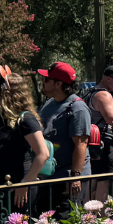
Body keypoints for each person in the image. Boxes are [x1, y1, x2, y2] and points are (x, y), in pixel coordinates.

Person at [0, 67, 47, 207]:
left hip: (18, 189)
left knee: (18, 221)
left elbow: (43, 153)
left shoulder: (26, 119)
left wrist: (25, 183)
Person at [37, 62, 93, 207]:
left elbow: (81, 144)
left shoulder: (77, 108)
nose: (43, 82)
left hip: (67, 179)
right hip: (50, 176)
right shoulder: (49, 104)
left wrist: (75, 177)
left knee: (67, 218)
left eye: (46, 79)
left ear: (58, 84)